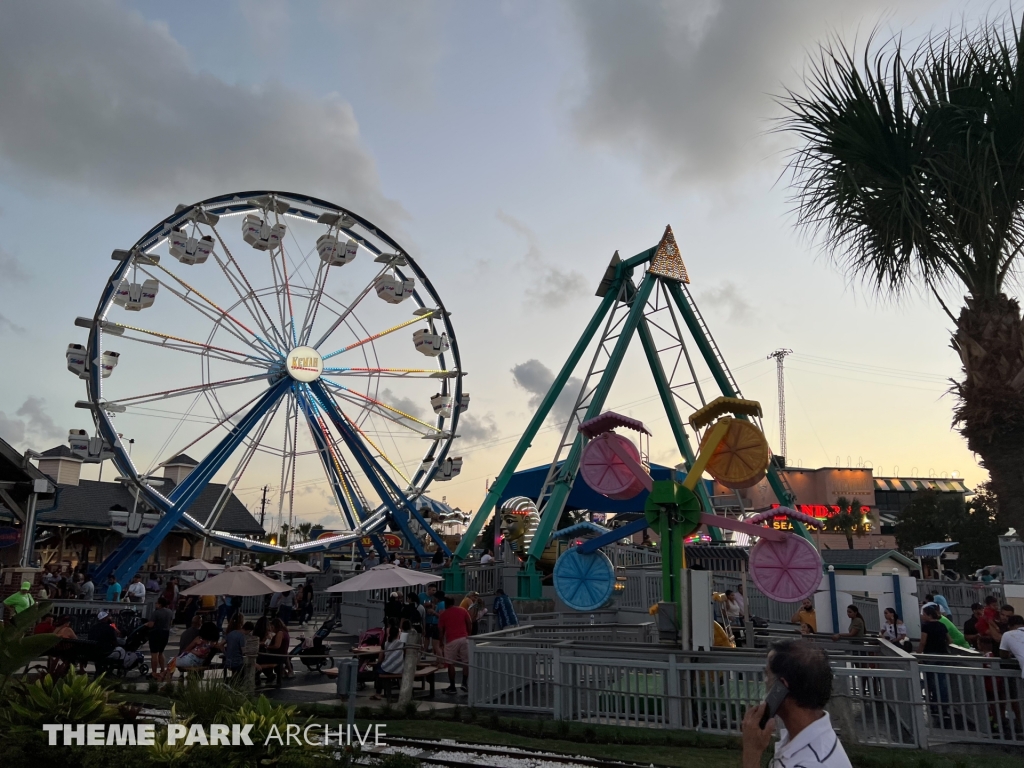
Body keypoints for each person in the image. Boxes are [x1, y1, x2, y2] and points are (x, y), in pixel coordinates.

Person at [741, 638, 852, 768]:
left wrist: (751, 752)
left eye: (767, 675)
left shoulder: (811, 763)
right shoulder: (802, 739)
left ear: (781, 687)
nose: (764, 682)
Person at [438, 595, 472, 693]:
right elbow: (469, 622)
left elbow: (441, 631)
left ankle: (452, 686)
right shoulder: (462, 610)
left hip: (451, 640)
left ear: (445, 603)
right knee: (466, 662)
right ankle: (464, 683)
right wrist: (468, 634)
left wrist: (441, 642)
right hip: (464, 638)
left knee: (450, 663)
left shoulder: (443, 614)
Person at [370, 623, 407, 700]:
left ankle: (378, 693)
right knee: (379, 670)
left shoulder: (385, 644)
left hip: (387, 668)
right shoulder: (402, 644)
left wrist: (379, 663)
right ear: (398, 634)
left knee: (378, 670)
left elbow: (380, 658)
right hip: (400, 668)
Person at [146, 597, 175, 677]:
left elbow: (151, 624)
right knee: (161, 652)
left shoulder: (156, 613)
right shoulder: (169, 612)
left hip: (156, 633)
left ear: (160, 604)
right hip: (166, 633)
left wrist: (147, 624)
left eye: (157, 603)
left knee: (154, 654)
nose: (155, 604)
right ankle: (162, 670)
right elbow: (171, 623)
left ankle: (154, 672)